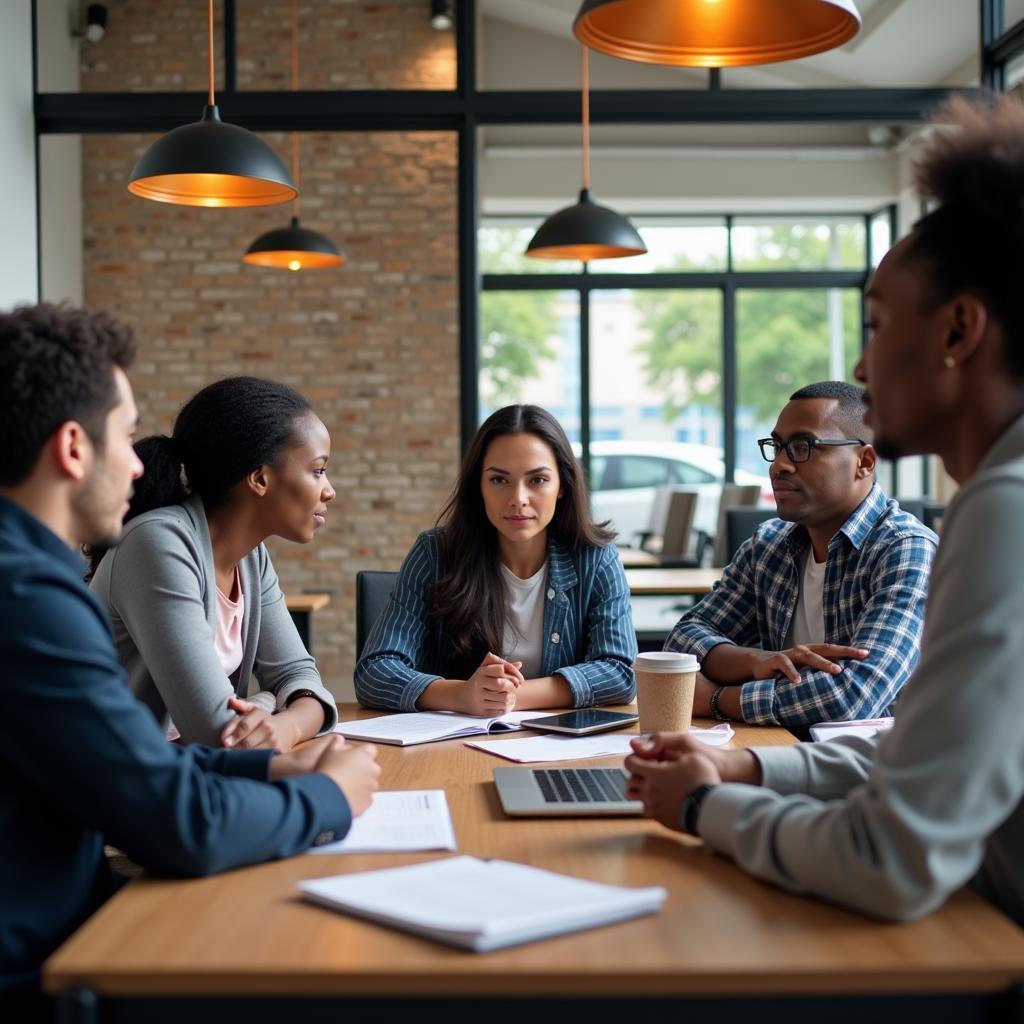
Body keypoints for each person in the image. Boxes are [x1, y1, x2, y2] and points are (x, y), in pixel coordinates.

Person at [625, 94, 1024, 925]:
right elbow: (915, 755)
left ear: (958, 331)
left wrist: (703, 808)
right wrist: (745, 770)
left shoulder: (1002, 512)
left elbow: (891, 858)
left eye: (876, 325)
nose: (859, 362)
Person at [0, 303, 380, 1007]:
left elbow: (141, 757)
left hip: (70, 904)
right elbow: (180, 820)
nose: (141, 462)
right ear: (74, 448)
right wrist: (330, 795)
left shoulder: (36, 578)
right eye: (125, 435)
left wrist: (273, 754)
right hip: (43, 957)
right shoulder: (29, 597)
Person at [665, 381, 937, 732]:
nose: (779, 465)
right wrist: (755, 660)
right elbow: (684, 639)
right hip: (783, 749)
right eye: (777, 446)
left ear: (864, 462)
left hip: (878, 770)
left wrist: (718, 699)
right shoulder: (769, 546)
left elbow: (851, 698)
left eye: (802, 447)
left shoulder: (906, 550)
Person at [89, 376, 339, 750]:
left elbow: (301, 676)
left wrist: (284, 726)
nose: (329, 490)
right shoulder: (158, 544)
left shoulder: (251, 559)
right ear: (259, 478)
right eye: (318, 470)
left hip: (184, 775)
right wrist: (271, 701)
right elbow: (218, 731)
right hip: (108, 787)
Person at [355, 404, 636, 715]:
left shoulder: (596, 559)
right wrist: (461, 695)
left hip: (557, 744)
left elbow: (621, 672)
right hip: (454, 748)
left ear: (562, 486)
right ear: (479, 486)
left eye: (538, 480)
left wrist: (511, 696)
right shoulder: (434, 553)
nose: (518, 498)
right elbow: (374, 672)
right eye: (499, 480)